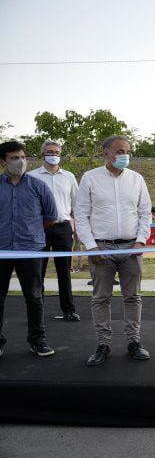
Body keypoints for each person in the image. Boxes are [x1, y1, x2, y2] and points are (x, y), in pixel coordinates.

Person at [75, 135, 153, 366]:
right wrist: (90, 246)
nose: (124, 155)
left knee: (133, 297)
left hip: (131, 247)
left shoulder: (137, 179)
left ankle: (134, 342)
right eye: (119, 151)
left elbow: (145, 212)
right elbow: (80, 214)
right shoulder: (90, 178)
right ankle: (103, 344)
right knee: (101, 298)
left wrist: (140, 241)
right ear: (105, 153)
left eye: (127, 151)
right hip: (101, 247)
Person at [0, 140, 58, 357]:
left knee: (34, 297)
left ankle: (38, 340)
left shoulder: (38, 186)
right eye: (14, 158)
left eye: (23, 157)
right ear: (3, 161)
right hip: (2, 250)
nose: (20, 162)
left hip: (31, 249)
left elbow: (50, 217)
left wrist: (30, 232)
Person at [28, 140, 80, 322]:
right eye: (50, 151)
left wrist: (78, 230)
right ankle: (37, 312)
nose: (54, 154)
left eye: (57, 152)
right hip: (39, 229)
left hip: (63, 228)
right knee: (36, 272)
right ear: (42, 154)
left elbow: (77, 205)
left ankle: (69, 310)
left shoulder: (69, 177)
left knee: (64, 271)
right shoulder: (31, 176)